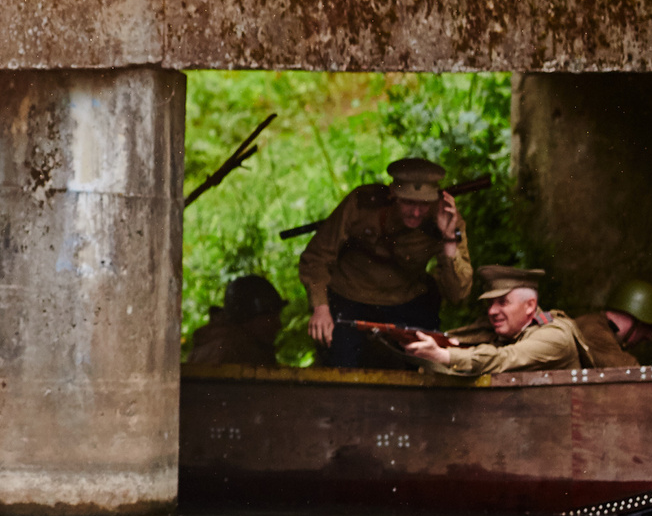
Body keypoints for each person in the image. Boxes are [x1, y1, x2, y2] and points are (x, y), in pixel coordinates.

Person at [299, 157, 473, 368]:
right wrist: (320, 308)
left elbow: (458, 293)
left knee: (420, 366)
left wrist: (448, 239)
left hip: (406, 300)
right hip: (349, 295)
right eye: (408, 202)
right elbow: (317, 256)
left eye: (424, 204)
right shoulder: (362, 204)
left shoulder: (446, 218)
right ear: (392, 194)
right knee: (340, 367)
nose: (416, 212)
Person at [400, 266, 589, 375]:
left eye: (503, 302)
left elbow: (504, 358)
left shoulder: (554, 336)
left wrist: (443, 356)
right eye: (490, 304)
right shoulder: (500, 334)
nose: (492, 311)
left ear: (530, 306)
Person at [187, 275, 284, 368]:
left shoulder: (218, 344)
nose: (278, 325)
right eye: (271, 318)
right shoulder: (235, 351)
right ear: (247, 318)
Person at [569, 278, 652, 369]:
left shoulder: (596, 325)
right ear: (636, 321)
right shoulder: (593, 331)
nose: (649, 336)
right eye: (648, 327)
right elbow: (632, 373)